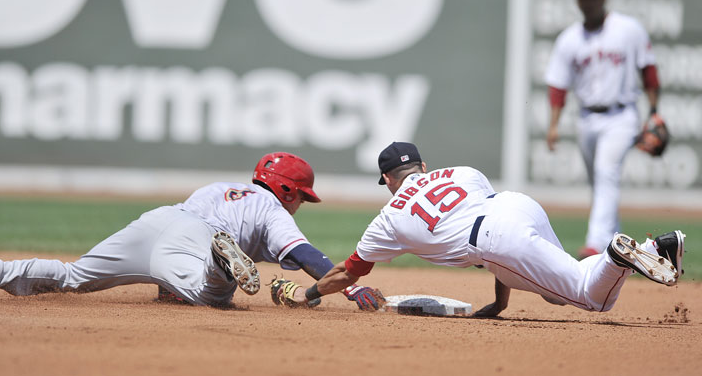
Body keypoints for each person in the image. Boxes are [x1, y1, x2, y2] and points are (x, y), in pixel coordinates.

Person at [283, 142, 684, 317]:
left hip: (494, 240)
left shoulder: (388, 217)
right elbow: (494, 228)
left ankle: (621, 250)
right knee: (558, 297)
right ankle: (658, 246)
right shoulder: (461, 171)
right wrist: (501, 305)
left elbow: (346, 272)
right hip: (517, 205)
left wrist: (309, 293)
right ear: (422, 167)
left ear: (387, 179)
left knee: (591, 298)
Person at [0, 152, 382, 310]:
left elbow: (174, 241)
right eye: (301, 196)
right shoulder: (274, 211)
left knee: (74, 276)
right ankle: (220, 264)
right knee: (213, 295)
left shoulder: (218, 188)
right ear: (287, 190)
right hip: (199, 243)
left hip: (158, 220)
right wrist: (347, 287)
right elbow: (306, 256)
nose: (300, 204)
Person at [544, 0, 664, 259]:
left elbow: (648, 70)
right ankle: (619, 244)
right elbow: (558, 85)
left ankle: (595, 244)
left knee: (605, 172)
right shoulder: (569, 39)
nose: (589, 1)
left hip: (621, 115)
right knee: (598, 182)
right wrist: (553, 125)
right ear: (578, 1)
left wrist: (654, 111)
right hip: (587, 119)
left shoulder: (627, 29)